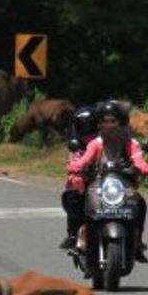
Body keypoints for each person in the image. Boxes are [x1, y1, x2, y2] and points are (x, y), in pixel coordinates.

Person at [67, 100, 148, 262]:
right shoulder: (96, 144)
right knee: (82, 203)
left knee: (140, 204)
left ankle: (137, 242)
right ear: (99, 124)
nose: (109, 125)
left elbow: (138, 159)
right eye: (105, 121)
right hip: (98, 184)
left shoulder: (130, 143)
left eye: (113, 121)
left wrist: (144, 167)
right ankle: (81, 238)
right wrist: (75, 166)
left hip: (123, 185)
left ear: (121, 122)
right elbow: (85, 159)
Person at [58, 105, 98, 250]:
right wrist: (76, 172)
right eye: (83, 126)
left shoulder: (105, 139)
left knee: (134, 200)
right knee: (72, 195)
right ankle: (73, 234)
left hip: (106, 178)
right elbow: (74, 161)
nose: (87, 129)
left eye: (90, 125)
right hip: (84, 178)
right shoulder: (76, 143)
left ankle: (135, 240)